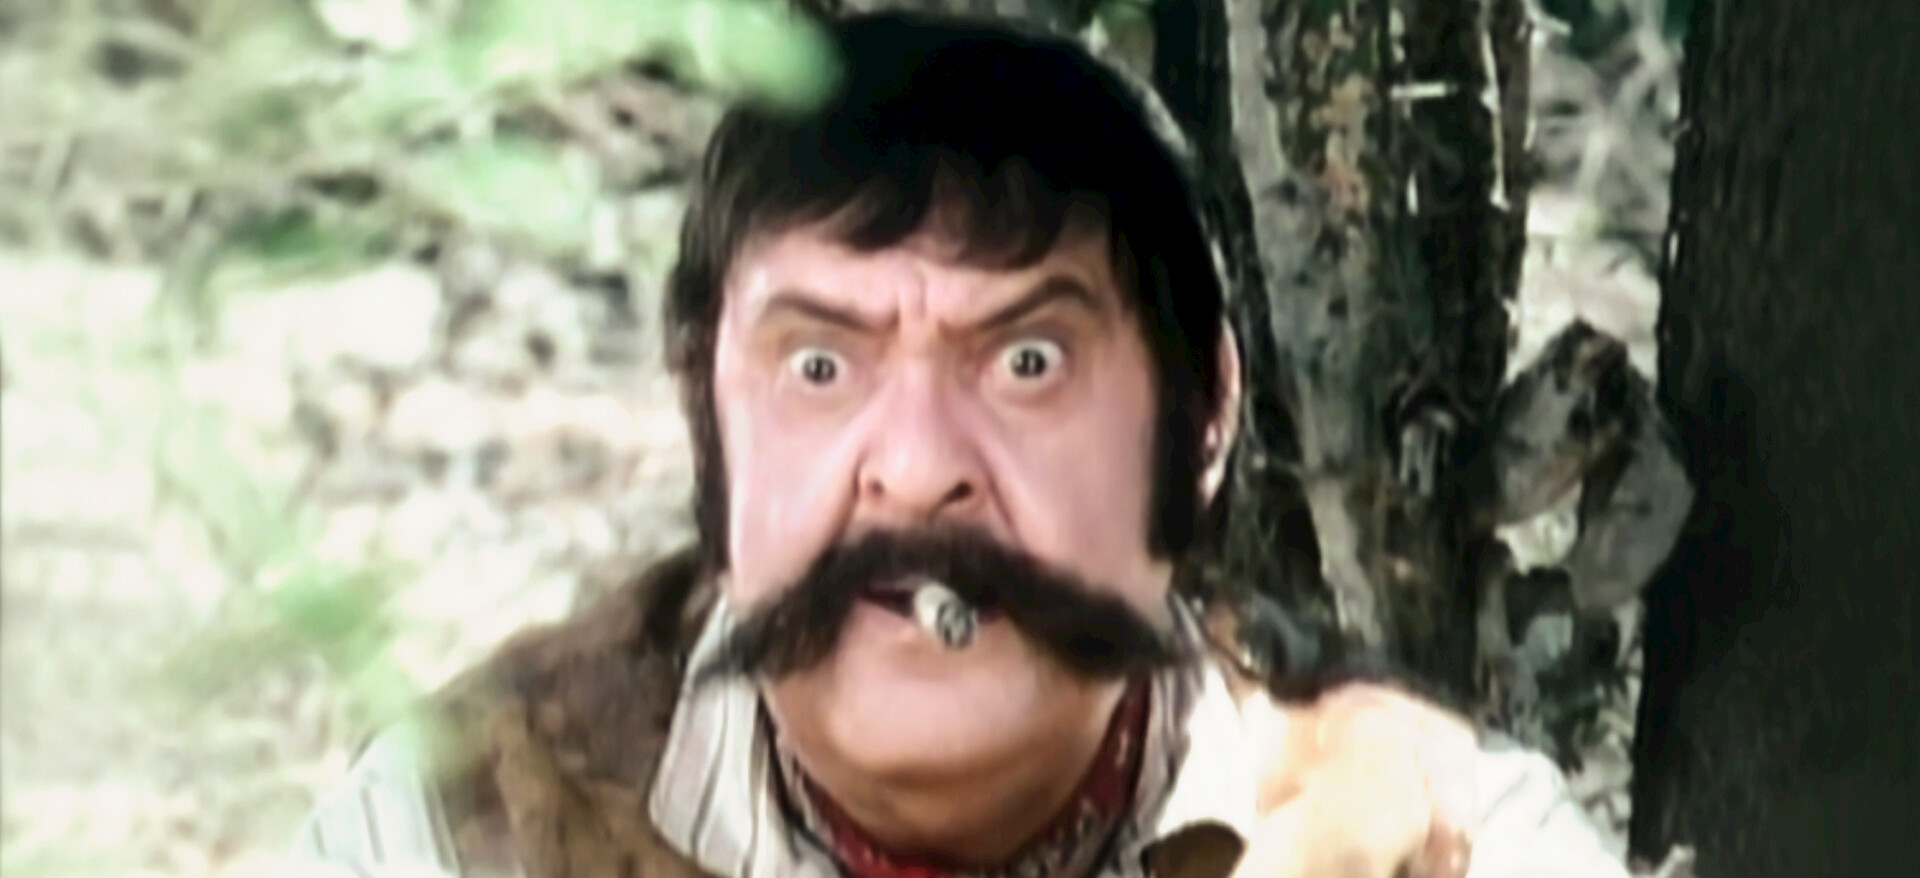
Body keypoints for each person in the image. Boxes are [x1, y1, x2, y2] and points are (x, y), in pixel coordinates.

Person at [290, 11, 1630, 878]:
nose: (919, 463)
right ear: (707, 417)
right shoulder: (464, 827)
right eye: (821, 366)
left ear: (1202, 417)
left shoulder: (1433, 837)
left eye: (1026, 361)